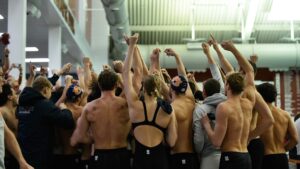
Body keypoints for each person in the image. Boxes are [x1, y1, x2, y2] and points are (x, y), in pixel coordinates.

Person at [122, 34, 177, 169]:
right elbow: (172, 142)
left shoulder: (135, 104)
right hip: (160, 158)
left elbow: (125, 74)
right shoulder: (167, 110)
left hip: (140, 158)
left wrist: (131, 47)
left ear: (142, 88)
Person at [71, 69, 131, 169]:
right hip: (121, 154)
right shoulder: (125, 104)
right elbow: (133, 89)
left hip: (101, 154)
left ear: (99, 85)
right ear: (116, 84)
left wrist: (96, 139)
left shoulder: (89, 107)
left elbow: (80, 136)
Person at [16, 76, 75, 169]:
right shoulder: (43, 105)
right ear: (45, 90)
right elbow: (67, 122)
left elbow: (34, 114)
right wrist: (65, 110)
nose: (51, 93)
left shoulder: (23, 104)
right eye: (50, 90)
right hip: (40, 156)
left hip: (23, 153)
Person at [201, 72, 255, 169]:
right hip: (246, 156)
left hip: (231, 157)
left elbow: (216, 142)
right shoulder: (248, 104)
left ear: (228, 86)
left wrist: (206, 124)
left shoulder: (224, 107)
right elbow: (250, 73)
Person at [193, 42, 227, 169]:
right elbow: (217, 76)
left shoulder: (200, 110)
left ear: (204, 93)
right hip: (227, 154)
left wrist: (198, 152)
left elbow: (198, 140)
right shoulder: (226, 102)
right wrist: (208, 53)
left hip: (208, 157)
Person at [164, 48, 198, 169]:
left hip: (178, 156)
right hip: (193, 156)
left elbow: (171, 141)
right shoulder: (190, 100)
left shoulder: (171, 108)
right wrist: (177, 56)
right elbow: (183, 75)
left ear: (171, 89)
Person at [256, 83, 298, 169]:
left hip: (265, 158)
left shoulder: (257, 115)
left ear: (259, 96)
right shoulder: (285, 114)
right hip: (282, 157)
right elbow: (295, 139)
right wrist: (284, 149)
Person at [0, 84, 19, 169]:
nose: (17, 96)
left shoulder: (18, 110)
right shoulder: (2, 111)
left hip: (16, 155)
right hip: (6, 157)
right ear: (10, 97)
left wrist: (32, 76)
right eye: (15, 94)